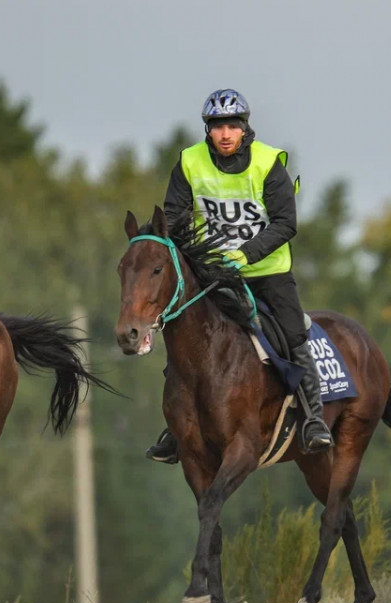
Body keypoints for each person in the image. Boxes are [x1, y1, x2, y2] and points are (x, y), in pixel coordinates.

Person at [145, 88, 334, 464]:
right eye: (218, 127)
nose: (225, 134)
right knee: (186, 336)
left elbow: (286, 223)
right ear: (208, 131)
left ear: (245, 128)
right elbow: (175, 218)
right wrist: (202, 256)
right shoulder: (189, 162)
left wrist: (245, 254)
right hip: (212, 272)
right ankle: (176, 427)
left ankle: (314, 420)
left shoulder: (268, 163)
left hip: (268, 271)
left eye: (232, 126)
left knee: (293, 333)